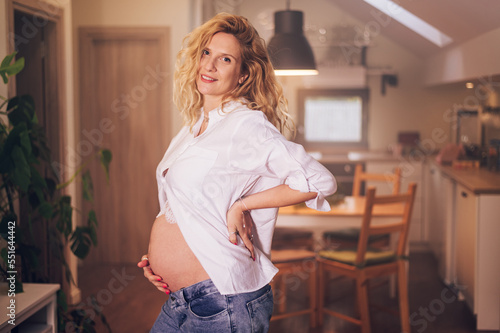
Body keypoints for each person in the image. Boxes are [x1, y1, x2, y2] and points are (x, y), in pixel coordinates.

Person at [137, 12, 336, 333]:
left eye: (225, 59)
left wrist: (243, 205)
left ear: (243, 75)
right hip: (183, 298)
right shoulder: (193, 128)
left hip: (223, 300)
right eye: (206, 53)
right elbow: (186, 205)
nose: (210, 65)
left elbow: (318, 181)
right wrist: (160, 260)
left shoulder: (246, 124)